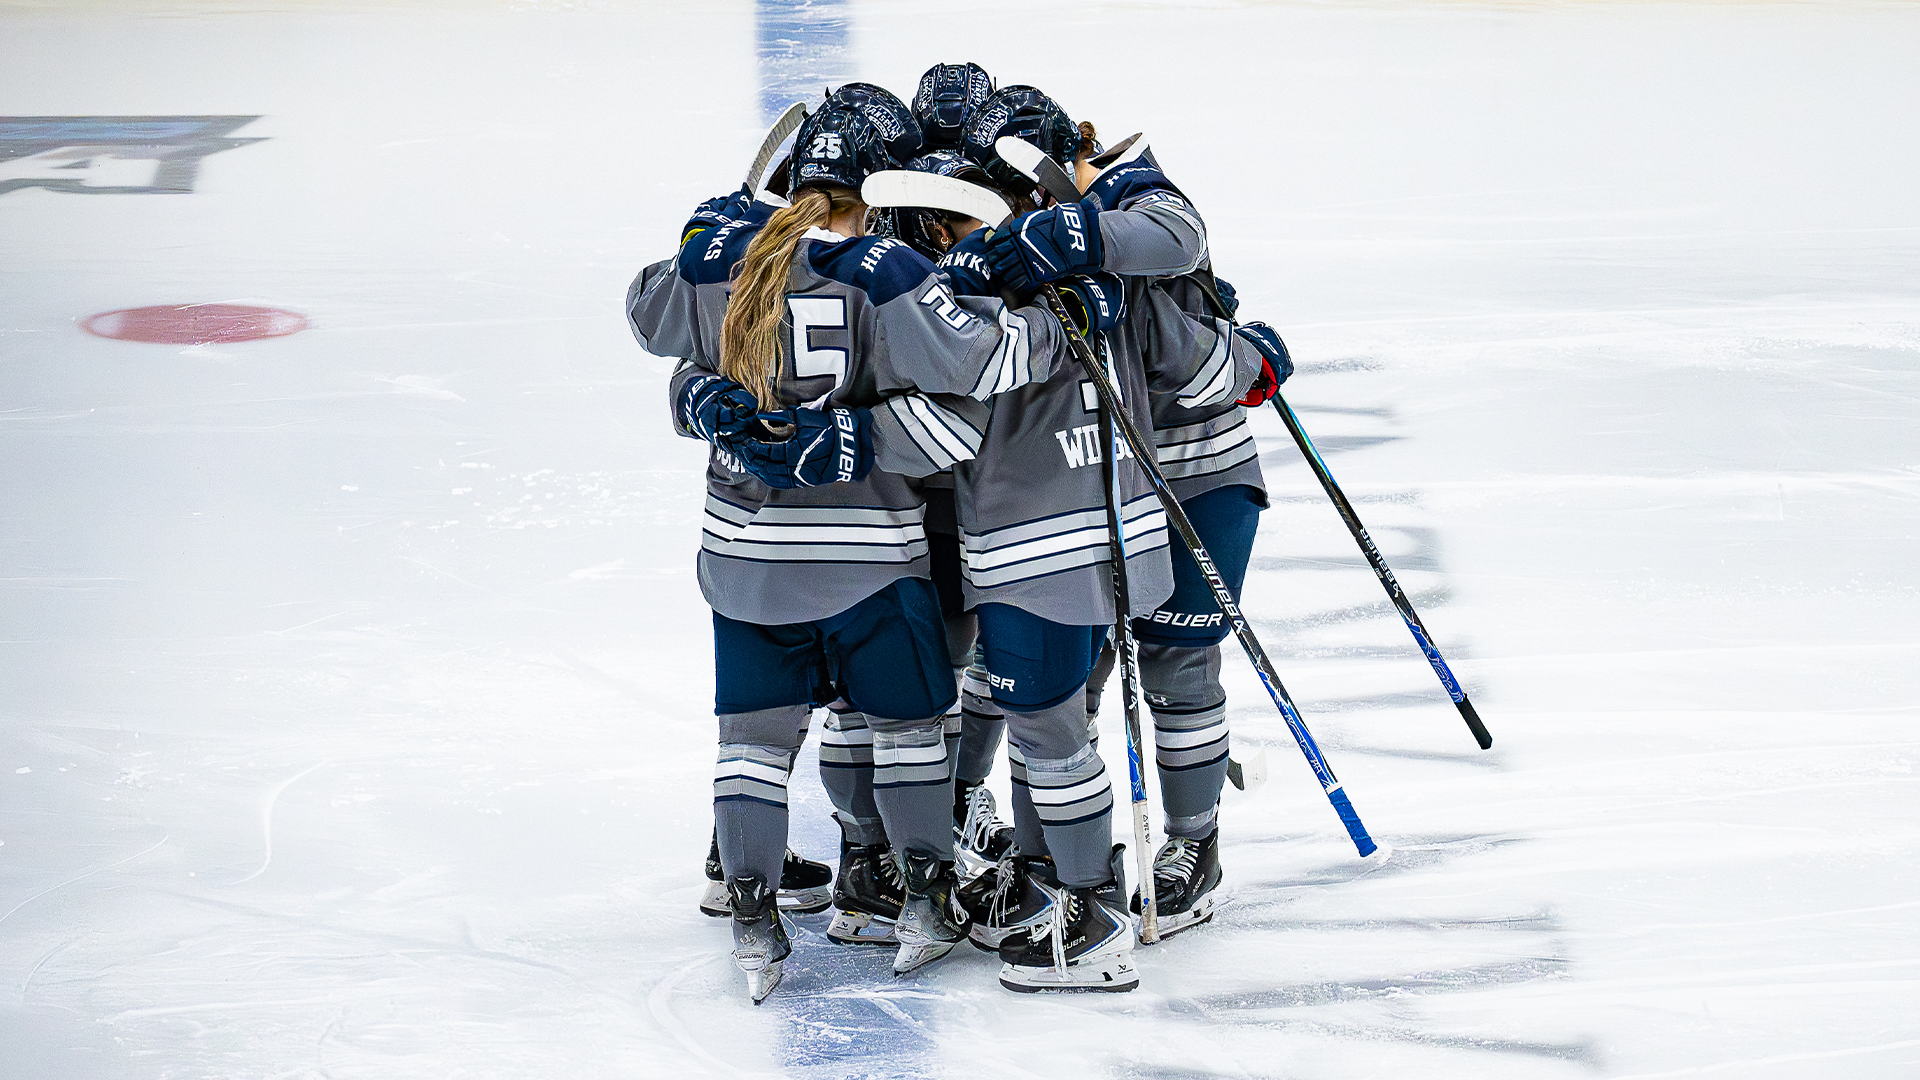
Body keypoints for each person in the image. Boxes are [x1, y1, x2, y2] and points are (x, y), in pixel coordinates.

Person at [627, 84, 1070, 1001]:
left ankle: (750, 911)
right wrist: (1058, 318)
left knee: (751, 743)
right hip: (871, 556)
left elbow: (648, 317)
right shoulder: (886, 272)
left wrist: (693, 359)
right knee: (908, 732)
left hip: (745, 562)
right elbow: (977, 383)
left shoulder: (718, 257)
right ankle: (917, 899)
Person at [984, 126, 1294, 938]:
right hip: (1107, 492)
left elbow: (1193, 363)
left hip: (1200, 477)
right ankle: (1055, 866)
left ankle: (1195, 844)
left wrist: (1248, 360)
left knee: (1178, 667)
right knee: (1069, 684)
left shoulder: (1135, 215)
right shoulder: (1015, 264)